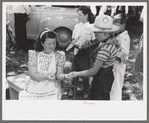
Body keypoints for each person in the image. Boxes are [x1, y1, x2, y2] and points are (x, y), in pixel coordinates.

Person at [68, 14, 120, 100]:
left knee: (99, 98)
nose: (95, 35)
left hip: (102, 77)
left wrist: (76, 73)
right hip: (104, 75)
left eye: (96, 32)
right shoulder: (107, 42)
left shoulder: (105, 49)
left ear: (105, 33)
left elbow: (93, 71)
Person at [19, 28, 69, 100]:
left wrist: (65, 76)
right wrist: (46, 77)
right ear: (42, 43)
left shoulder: (59, 55)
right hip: (35, 85)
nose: (52, 46)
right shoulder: (34, 54)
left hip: (51, 86)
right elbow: (33, 75)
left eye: (54, 43)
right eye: (49, 44)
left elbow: (59, 75)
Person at [68, 6, 97, 99]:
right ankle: (72, 90)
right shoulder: (77, 26)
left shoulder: (91, 27)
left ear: (86, 15)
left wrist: (87, 46)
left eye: (80, 15)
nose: (78, 17)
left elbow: (96, 41)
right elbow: (73, 38)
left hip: (85, 54)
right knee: (73, 71)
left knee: (85, 73)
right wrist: (72, 43)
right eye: (78, 15)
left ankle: (86, 91)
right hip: (76, 52)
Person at [110, 13, 130, 100]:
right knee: (112, 86)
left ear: (123, 25)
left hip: (118, 66)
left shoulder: (124, 37)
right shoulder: (117, 35)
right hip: (114, 65)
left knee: (116, 87)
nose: (114, 24)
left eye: (116, 22)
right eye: (113, 21)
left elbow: (125, 56)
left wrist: (112, 55)